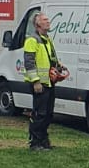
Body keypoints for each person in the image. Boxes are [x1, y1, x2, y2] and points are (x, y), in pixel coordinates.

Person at [23, 12, 65, 151]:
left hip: (48, 82)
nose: (48, 22)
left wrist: (59, 66)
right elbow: (29, 63)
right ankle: (35, 143)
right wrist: (35, 81)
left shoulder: (47, 39)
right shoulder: (32, 40)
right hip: (39, 84)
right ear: (38, 24)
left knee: (48, 114)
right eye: (45, 20)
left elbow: (50, 57)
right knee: (39, 114)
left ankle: (44, 141)